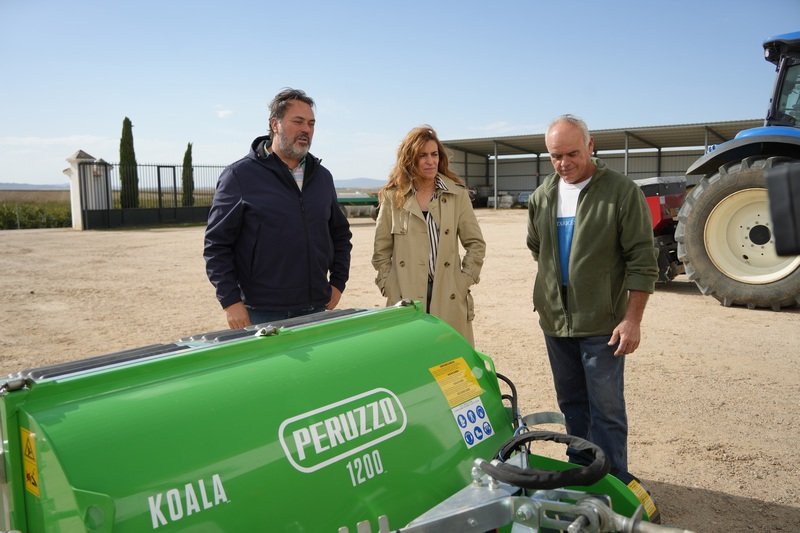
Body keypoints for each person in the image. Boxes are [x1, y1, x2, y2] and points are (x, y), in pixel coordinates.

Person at [526, 114, 658, 474]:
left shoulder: (621, 192)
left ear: (591, 145)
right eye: (555, 156)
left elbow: (643, 261)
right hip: (556, 322)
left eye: (572, 153)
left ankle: (613, 484)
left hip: (604, 326)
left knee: (607, 411)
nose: (564, 164)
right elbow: (537, 249)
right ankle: (584, 475)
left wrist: (632, 320)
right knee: (572, 405)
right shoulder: (542, 197)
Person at [204, 88, 352, 328]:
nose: (306, 129)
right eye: (298, 121)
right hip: (261, 312)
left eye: (311, 124)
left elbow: (340, 235)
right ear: (275, 124)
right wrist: (230, 301)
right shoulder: (239, 176)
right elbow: (216, 245)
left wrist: (337, 283)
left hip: (315, 307)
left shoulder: (322, 178)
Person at [372, 125, 485, 345]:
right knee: (409, 362)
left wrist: (463, 281)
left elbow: (476, 243)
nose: (430, 161)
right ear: (409, 159)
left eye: (434, 154)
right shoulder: (393, 198)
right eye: (422, 155)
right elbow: (381, 250)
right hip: (406, 295)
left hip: (448, 293)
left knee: (450, 366)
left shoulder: (457, 195)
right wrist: (389, 284)